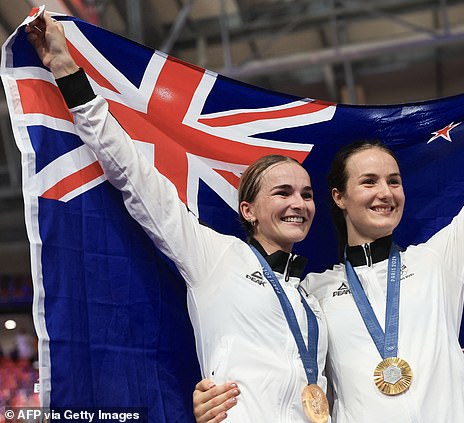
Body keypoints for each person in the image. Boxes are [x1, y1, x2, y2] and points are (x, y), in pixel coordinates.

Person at [193, 56, 464, 422]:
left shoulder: (437, 262)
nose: (385, 193)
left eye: (394, 182)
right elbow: (267, 351)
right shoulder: (311, 294)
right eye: (369, 182)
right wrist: (213, 395)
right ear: (339, 198)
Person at [26, 13, 329, 423]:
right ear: (248, 210)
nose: (299, 203)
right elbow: (136, 177)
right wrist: (67, 72)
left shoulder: (316, 292)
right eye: (283, 192)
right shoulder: (214, 256)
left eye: (307, 194)